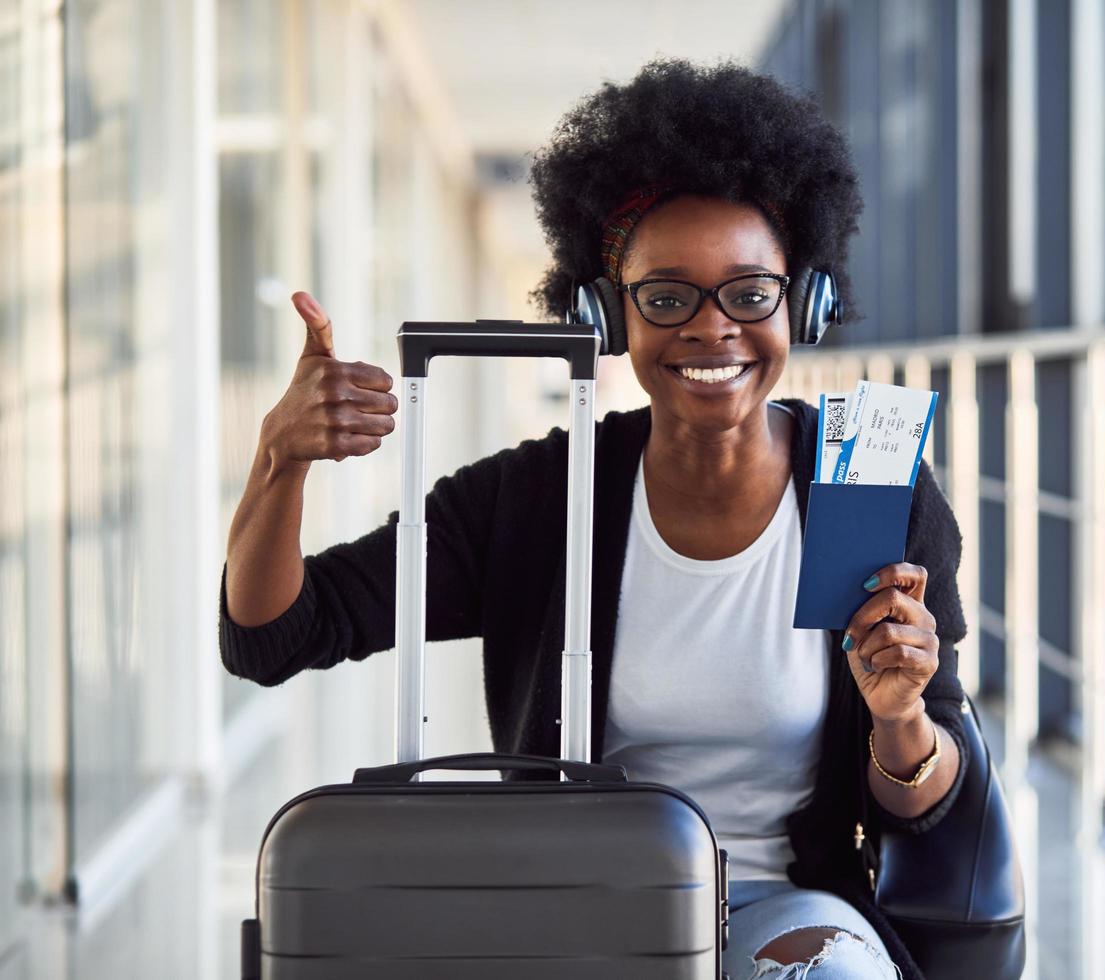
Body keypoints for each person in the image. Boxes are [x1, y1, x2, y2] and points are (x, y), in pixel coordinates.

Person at [220, 58, 970, 980]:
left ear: (802, 302)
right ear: (608, 316)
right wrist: (278, 460)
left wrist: (898, 719)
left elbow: (925, 802)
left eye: (750, 292)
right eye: (665, 297)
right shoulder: (536, 500)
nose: (712, 327)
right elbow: (275, 632)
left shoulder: (869, 485)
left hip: (785, 912)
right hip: (576, 908)